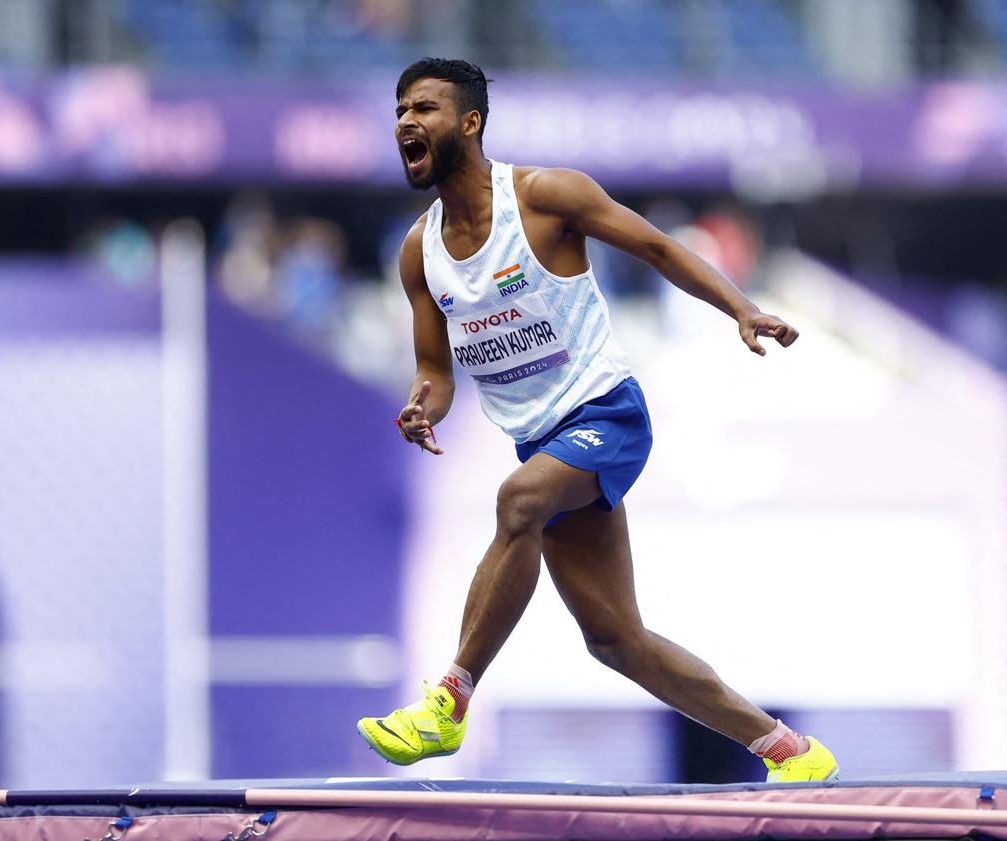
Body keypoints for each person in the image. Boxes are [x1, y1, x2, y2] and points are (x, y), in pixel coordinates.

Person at [355, 58, 839, 783]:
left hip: (606, 413)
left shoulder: (548, 196)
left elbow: (659, 247)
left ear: (470, 122)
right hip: (541, 440)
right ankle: (789, 750)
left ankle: (447, 703)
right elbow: (437, 370)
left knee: (518, 499)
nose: (404, 122)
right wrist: (425, 401)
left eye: (423, 108)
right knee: (616, 639)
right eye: (399, 111)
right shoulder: (418, 252)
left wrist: (741, 308)